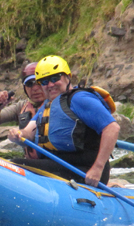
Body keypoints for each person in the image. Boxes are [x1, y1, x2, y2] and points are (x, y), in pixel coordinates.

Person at [8, 55, 119, 185]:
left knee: (15, 165)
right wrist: (17, 135)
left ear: (68, 77)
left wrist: (97, 169)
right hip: (59, 164)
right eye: (44, 81)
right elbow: (28, 132)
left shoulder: (80, 99)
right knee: (14, 164)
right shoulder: (48, 105)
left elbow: (112, 128)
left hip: (85, 170)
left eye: (54, 79)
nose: (50, 85)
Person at [0, 62, 46, 159]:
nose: (35, 88)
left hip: (53, 163)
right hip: (31, 163)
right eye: (30, 84)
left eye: (39, 82)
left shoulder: (56, 104)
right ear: (24, 87)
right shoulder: (21, 106)